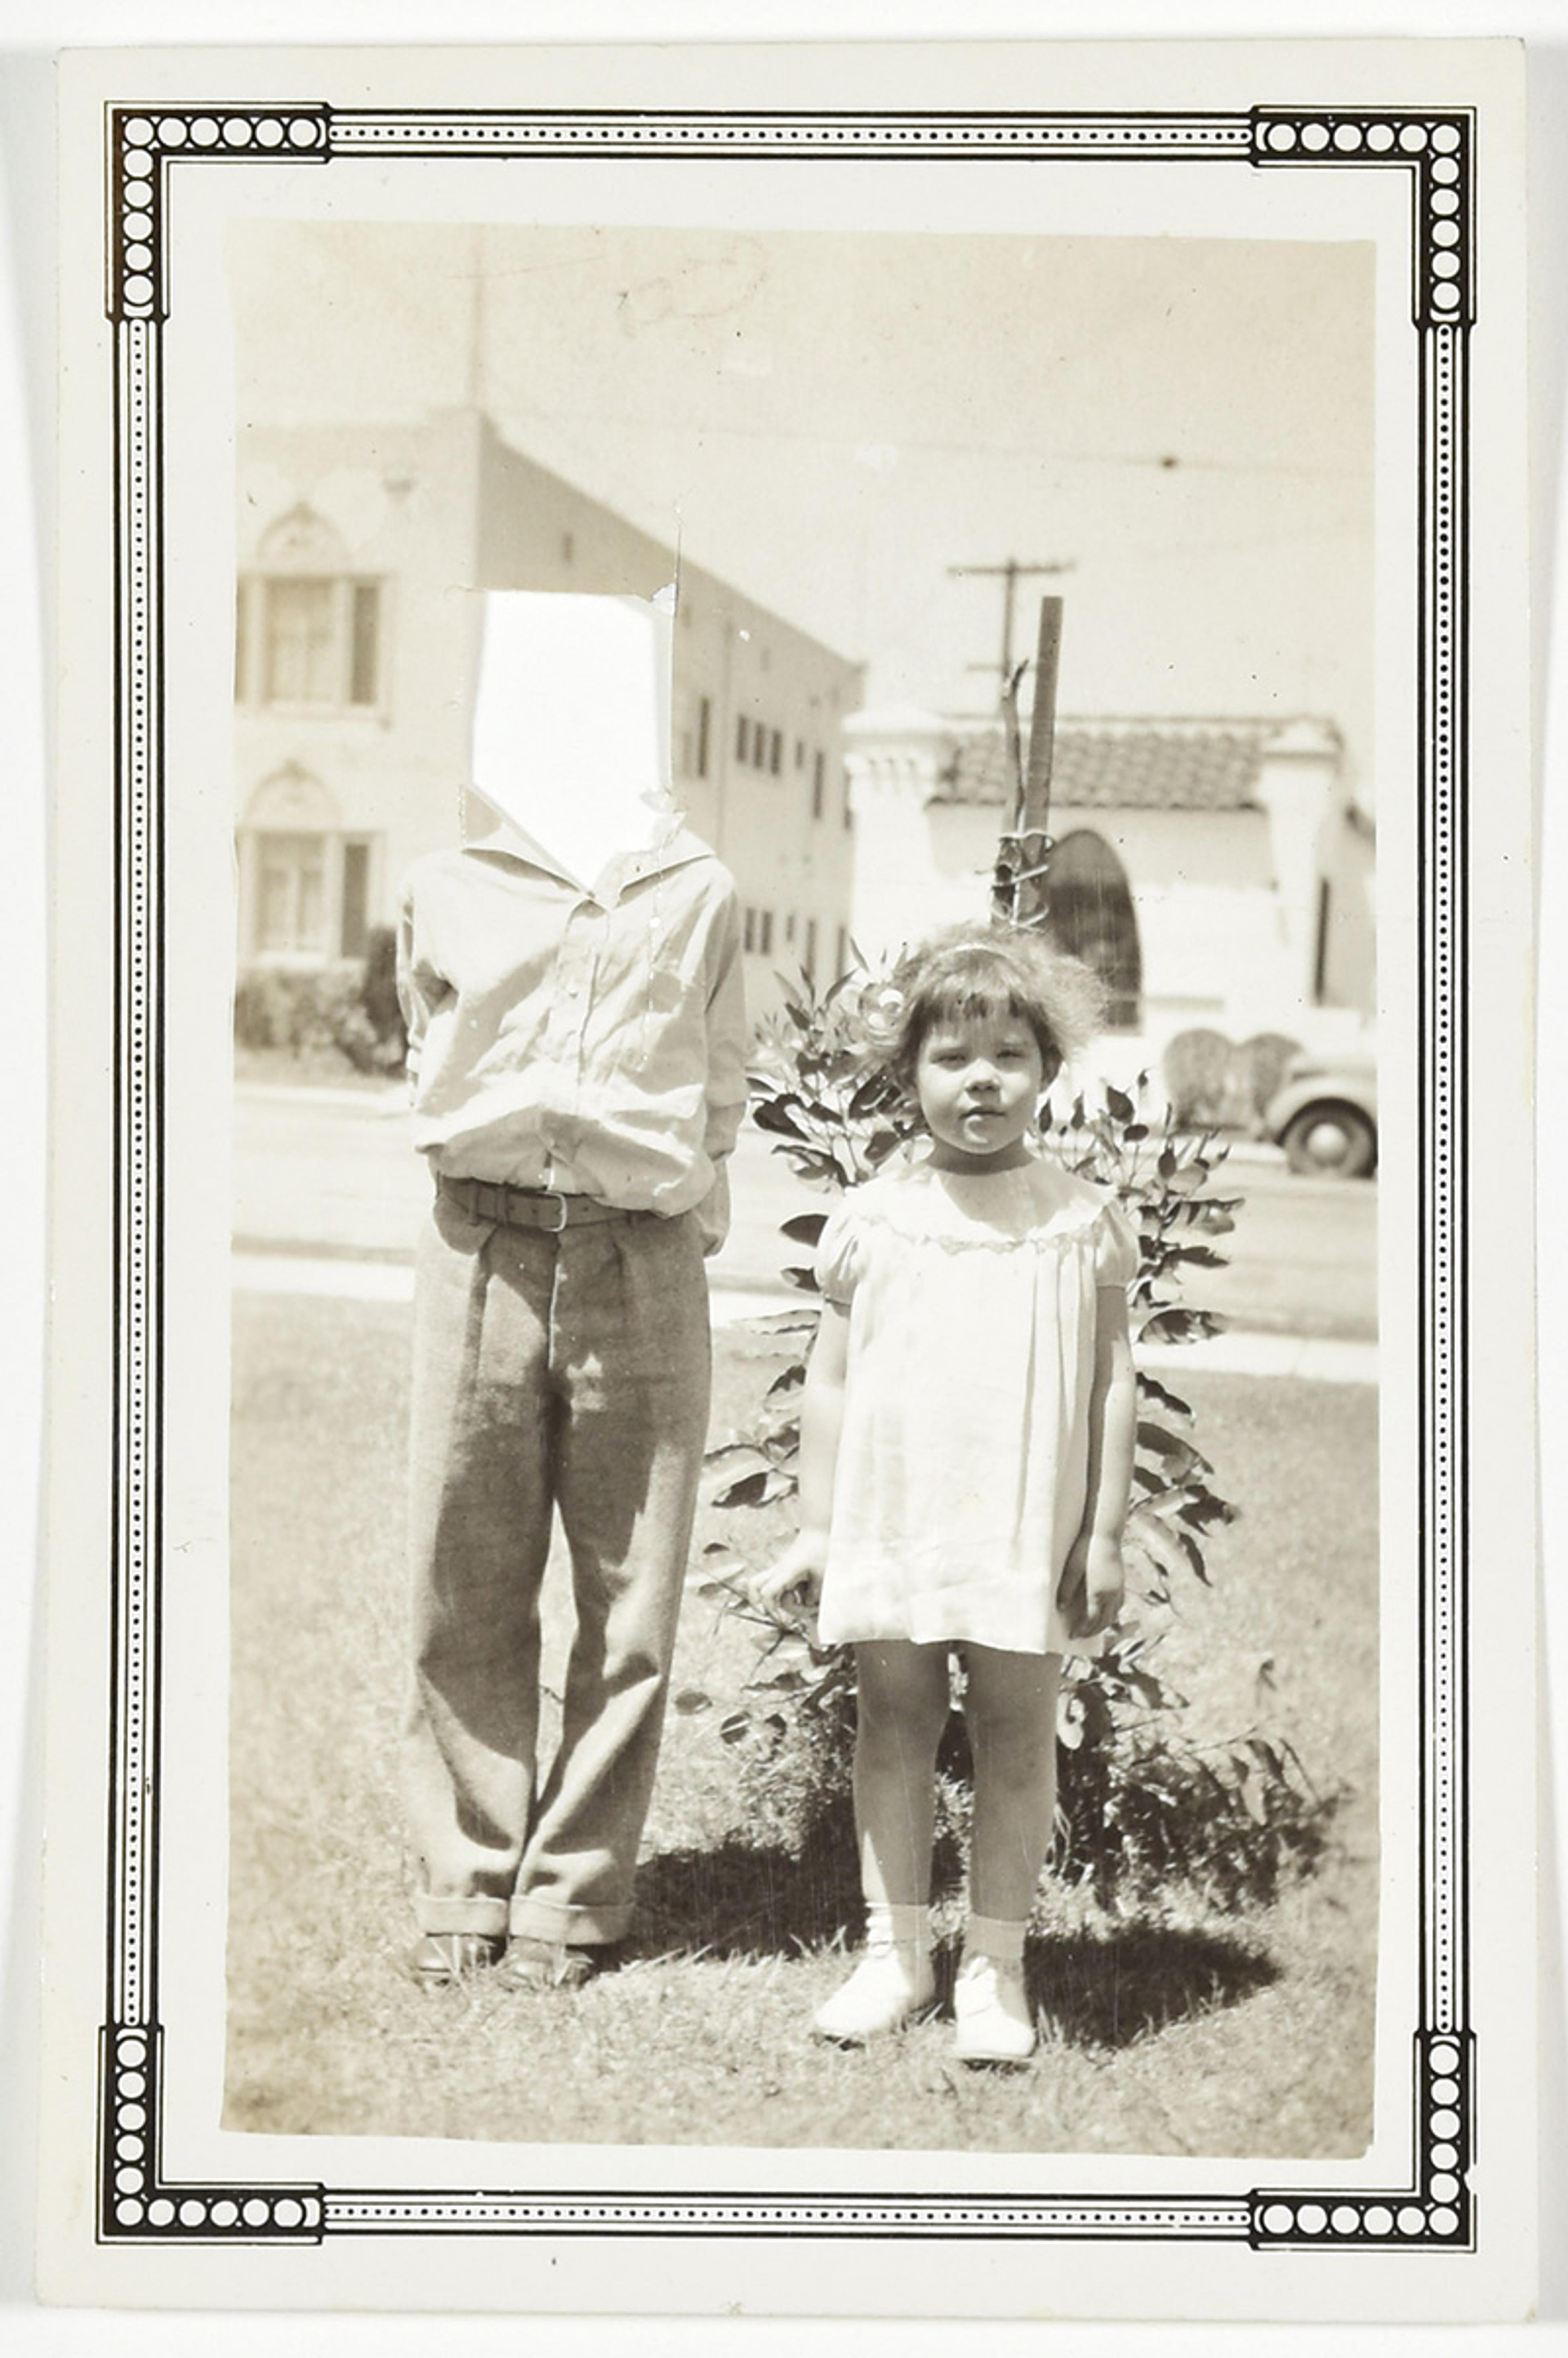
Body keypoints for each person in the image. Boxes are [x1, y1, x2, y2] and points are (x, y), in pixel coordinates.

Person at [396, 591, 747, 1992]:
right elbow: (422, 1038)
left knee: (631, 1592)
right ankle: (469, 1880)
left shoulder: (699, 888)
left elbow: (719, 1081)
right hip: (476, 1248)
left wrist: (651, 1204)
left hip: (638, 1256)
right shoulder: (447, 882)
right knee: (461, 1575)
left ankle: (575, 1900)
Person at [757, 923, 1138, 2063]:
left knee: (1019, 1734)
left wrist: (1106, 1531)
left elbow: (1115, 1382)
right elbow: (828, 1383)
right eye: (953, 1058)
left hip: (1026, 1525)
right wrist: (820, 1528)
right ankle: (896, 1952)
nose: (982, 1080)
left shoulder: (1078, 1222)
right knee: (897, 1724)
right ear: (907, 1074)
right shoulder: (874, 1220)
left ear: (1049, 1073)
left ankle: (996, 1966)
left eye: (1010, 1056)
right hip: (899, 1517)